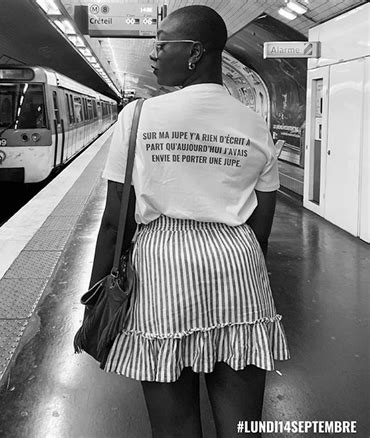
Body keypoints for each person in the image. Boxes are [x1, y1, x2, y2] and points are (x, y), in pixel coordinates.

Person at [88, 6, 290, 437]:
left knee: (175, 424)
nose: (154, 55)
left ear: (195, 52)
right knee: (242, 423)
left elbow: (113, 221)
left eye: (162, 43)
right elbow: (262, 224)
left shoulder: (138, 118)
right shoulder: (255, 124)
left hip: (163, 269)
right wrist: (241, 266)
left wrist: (95, 299)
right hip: (237, 266)